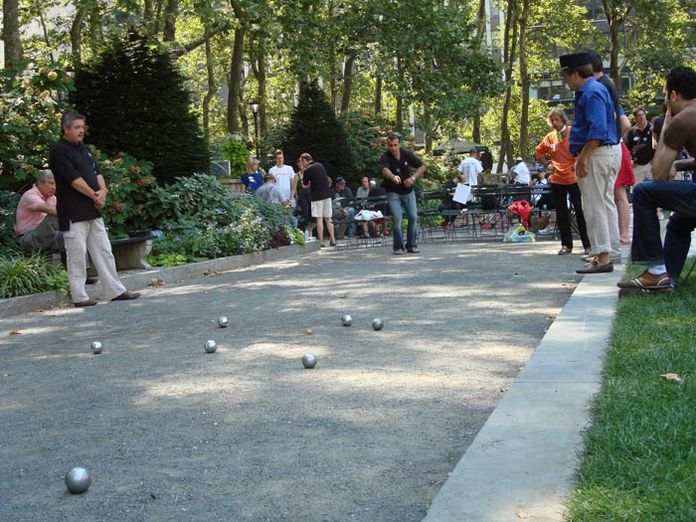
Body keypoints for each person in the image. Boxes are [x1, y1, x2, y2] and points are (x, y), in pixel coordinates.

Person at [618, 66, 696, 295]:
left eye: (665, 95)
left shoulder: (682, 121)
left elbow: (659, 175)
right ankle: (666, 278)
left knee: (644, 191)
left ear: (673, 95)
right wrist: (680, 164)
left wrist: (666, 126)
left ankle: (656, 270)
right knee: (680, 222)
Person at [49, 111, 140, 307]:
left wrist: (103, 192)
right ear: (65, 129)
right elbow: (73, 180)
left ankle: (115, 291)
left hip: (92, 210)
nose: (81, 131)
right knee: (77, 254)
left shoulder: (84, 149)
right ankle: (79, 296)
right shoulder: (59, 151)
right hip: (73, 212)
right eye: (77, 127)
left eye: (82, 127)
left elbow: (96, 172)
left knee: (104, 251)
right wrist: (94, 195)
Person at [559, 51, 619, 274]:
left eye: (565, 77)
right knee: (600, 205)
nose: (565, 82)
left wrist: (583, 157)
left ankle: (603, 257)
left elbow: (598, 130)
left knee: (594, 207)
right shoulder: (596, 89)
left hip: (595, 154)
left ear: (575, 73)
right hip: (601, 153)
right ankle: (605, 253)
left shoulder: (591, 92)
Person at [534, 108, 591, 255]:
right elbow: (538, 152)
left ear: (563, 119)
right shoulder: (550, 137)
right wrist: (547, 165)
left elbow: (585, 148)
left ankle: (588, 244)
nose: (554, 123)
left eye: (556, 119)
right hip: (557, 179)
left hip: (574, 178)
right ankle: (566, 245)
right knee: (561, 213)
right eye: (551, 120)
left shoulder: (574, 132)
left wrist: (578, 161)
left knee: (580, 211)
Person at [380, 132, 426, 255]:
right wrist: (393, 177)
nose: (393, 148)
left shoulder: (406, 155)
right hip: (393, 192)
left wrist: (413, 178)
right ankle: (398, 247)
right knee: (397, 218)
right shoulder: (385, 156)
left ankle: (411, 245)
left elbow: (422, 167)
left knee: (413, 217)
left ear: (399, 144)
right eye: (390, 146)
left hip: (408, 192)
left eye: (395, 145)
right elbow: (385, 170)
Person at [15, 170, 64, 254]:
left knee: (72, 236)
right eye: (51, 183)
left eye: (56, 184)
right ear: (40, 183)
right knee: (53, 217)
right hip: (28, 239)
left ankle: (84, 267)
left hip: (47, 236)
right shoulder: (30, 195)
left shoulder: (52, 198)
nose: (54, 187)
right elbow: (51, 210)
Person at [299, 153, 336, 247]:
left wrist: (302, 176)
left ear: (305, 160)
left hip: (317, 196)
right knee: (328, 218)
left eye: (301, 161)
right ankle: (333, 240)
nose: (301, 164)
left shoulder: (307, 170)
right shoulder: (320, 165)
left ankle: (321, 241)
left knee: (319, 219)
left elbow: (305, 185)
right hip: (327, 194)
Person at [625, 107, 655, 182]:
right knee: (637, 189)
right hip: (637, 165)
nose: (641, 117)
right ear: (635, 118)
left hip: (651, 164)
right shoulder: (631, 131)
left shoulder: (653, 129)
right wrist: (630, 160)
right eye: (639, 115)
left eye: (643, 115)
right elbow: (627, 148)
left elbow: (658, 146)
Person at [615, 141, 636, 245]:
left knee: (619, 192)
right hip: (610, 148)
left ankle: (624, 235)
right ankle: (618, 235)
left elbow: (625, 125)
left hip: (613, 147)